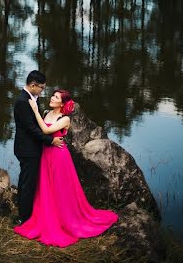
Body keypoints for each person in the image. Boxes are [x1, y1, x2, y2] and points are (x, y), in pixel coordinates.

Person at [14, 88, 118, 247]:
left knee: (60, 188)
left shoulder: (65, 119)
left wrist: (35, 110)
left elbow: (46, 130)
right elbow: (38, 131)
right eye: (53, 95)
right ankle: (46, 216)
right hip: (45, 154)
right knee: (45, 187)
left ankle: (64, 219)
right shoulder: (47, 113)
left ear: (62, 103)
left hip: (58, 156)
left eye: (56, 97)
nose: (52, 98)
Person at [14, 71, 64, 223]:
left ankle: (27, 213)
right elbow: (31, 129)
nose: (43, 91)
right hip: (27, 149)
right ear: (33, 85)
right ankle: (24, 217)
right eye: (41, 88)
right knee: (27, 183)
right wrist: (51, 141)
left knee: (28, 181)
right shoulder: (23, 101)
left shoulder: (33, 98)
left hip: (32, 148)